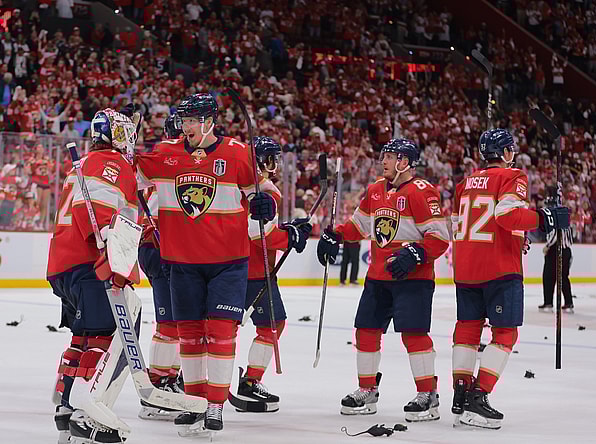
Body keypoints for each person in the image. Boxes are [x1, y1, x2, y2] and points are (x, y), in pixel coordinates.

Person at [135, 92, 279, 436]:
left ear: (209, 122)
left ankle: (215, 405)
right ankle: (195, 401)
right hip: (181, 263)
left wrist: (267, 208)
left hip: (228, 263)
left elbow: (265, 194)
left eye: (190, 121)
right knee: (189, 335)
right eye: (182, 121)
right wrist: (118, 142)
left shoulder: (237, 153)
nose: (184, 128)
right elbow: (131, 173)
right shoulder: (166, 154)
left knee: (220, 333)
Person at [316, 138, 450, 422]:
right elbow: (359, 226)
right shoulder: (376, 189)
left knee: (413, 335)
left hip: (413, 279)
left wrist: (416, 253)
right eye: (384, 156)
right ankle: (367, 389)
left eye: (389, 156)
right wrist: (336, 234)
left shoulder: (422, 192)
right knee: (365, 331)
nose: (384, 161)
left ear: (405, 161)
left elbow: (439, 238)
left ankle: (428, 394)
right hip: (378, 276)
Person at [451, 128, 570, 429]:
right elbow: (506, 216)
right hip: (499, 268)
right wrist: (544, 218)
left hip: (466, 266)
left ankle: (461, 394)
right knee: (505, 334)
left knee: (467, 330)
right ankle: (479, 397)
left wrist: (517, 238)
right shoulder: (512, 176)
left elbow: (460, 224)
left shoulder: (464, 183)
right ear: (505, 152)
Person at [46, 108, 140, 444]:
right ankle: (87, 415)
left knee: (82, 337)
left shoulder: (86, 162)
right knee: (104, 336)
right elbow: (98, 214)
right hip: (90, 261)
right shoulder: (111, 162)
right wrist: (110, 257)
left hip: (64, 262)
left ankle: (66, 405)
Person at [232, 136, 311, 412]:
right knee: (272, 325)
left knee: (217, 327)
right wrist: (290, 236)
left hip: (225, 267)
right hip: (255, 271)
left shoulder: (232, 185)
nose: (274, 164)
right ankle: (251, 382)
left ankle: (192, 379)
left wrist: (289, 229)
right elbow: (260, 235)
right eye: (271, 158)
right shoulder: (267, 190)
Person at [137, 187, 184, 421]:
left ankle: (169, 379)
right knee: (169, 325)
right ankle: (155, 389)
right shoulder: (169, 174)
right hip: (158, 247)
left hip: (167, 247)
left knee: (179, 324)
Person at [539, 194, 575, 312]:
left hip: (556, 250)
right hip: (567, 250)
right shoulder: (565, 218)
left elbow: (554, 235)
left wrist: (548, 246)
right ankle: (569, 302)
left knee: (548, 277)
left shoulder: (553, 216)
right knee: (563, 277)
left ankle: (548, 302)